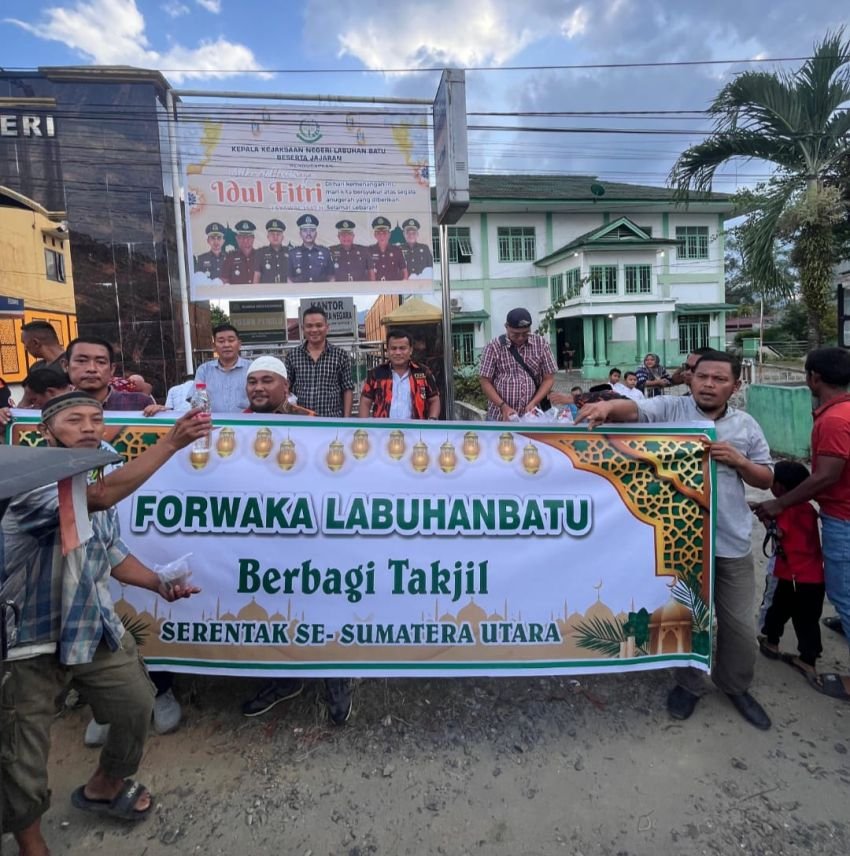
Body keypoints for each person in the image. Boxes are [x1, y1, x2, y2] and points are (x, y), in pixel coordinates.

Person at [0, 391, 209, 854]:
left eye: (96, 418)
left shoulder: (85, 480)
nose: (89, 427)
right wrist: (171, 443)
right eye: (74, 420)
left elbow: (109, 551)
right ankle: (31, 841)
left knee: (136, 703)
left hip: (90, 626)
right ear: (44, 432)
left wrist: (158, 583)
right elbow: (99, 496)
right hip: (26, 643)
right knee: (21, 750)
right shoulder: (29, 484)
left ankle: (105, 784)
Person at [577, 351, 774, 730]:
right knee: (686, 618)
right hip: (681, 542)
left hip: (730, 542)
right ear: (690, 378)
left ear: (735, 384)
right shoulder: (671, 409)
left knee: (738, 625)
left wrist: (740, 462)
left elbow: (765, 479)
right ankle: (689, 684)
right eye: (702, 377)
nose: (709, 385)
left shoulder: (746, 426)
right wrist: (606, 410)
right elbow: (631, 409)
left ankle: (735, 685)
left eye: (719, 379)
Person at [237, 356, 352, 723]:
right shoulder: (233, 426)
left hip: (310, 535)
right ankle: (284, 679)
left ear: (285, 387)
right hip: (261, 538)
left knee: (321, 604)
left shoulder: (310, 423)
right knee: (273, 608)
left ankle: (335, 677)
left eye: (267, 380)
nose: (258, 387)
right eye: (252, 381)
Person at [753, 347, 850, 702]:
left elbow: (826, 476)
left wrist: (777, 504)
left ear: (814, 378)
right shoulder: (841, 413)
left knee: (844, 597)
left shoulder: (835, 420)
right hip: (833, 530)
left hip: (843, 518)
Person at [756, 460, 824, 679]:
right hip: (813, 578)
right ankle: (808, 659)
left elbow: (779, 535)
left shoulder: (786, 510)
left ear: (781, 488)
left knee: (778, 611)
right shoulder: (809, 510)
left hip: (790, 577)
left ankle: (772, 643)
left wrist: (765, 519)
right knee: (808, 620)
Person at [478, 307, 557, 421]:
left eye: (525, 334)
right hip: (500, 417)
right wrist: (503, 406)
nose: (520, 338)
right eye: (515, 334)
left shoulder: (541, 344)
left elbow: (548, 378)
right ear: (506, 327)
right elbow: (485, 381)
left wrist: (534, 402)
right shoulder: (493, 347)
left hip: (532, 416)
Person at [284, 305, 354, 418]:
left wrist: (345, 421)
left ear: (327, 327)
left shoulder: (341, 355)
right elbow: (285, 387)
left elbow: (347, 389)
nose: (314, 330)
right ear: (303, 329)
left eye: (319, 325)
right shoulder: (293, 355)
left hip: (332, 421)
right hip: (301, 421)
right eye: (309, 326)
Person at [358, 329, 440, 419]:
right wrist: (365, 427)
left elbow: (434, 400)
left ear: (411, 350)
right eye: (393, 348)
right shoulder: (376, 374)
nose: (398, 352)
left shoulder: (423, 372)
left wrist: (432, 420)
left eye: (402, 348)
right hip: (384, 431)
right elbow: (365, 402)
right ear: (388, 351)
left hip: (415, 430)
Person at [65, 337, 154, 410]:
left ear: (112, 369)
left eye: (101, 362)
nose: (91, 369)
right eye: (81, 361)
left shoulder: (139, 403)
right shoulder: (55, 407)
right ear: (65, 366)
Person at [193, 324, 251, 412]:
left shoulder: (252, 368)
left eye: (231, 340)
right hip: (213, 423)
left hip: (246, 423)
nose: (226, 345)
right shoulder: (204, 370)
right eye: (221, 341)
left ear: (239, 344)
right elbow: (198, 400)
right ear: (214, 346)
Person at [288, 214, 335, 283]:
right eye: (305, 231)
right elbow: (289, 278)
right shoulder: (292, 254)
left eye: (312, 230)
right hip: (299, 292)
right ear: (300, 234)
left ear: (316, 234)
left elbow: (331, 277)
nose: (308, 234)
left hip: (320, 292)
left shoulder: (325, 252)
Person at [368, 216, 407, 282]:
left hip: (393, 289)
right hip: (376, 288)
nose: (382, 236)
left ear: (389, 234)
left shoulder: (397, 250)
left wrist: (403, 286)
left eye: (384, 233)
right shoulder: (369, 251)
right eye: (378, 233)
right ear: (375, 235)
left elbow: (404, 271)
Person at [221, 220, 259, 285]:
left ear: (253, 238)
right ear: (237, 238)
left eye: (248, 236)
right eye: (242, 237)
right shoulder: (230, 257)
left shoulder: (260, 256)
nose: (245, 240)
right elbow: (224, 280)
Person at [255, 218, 289, 284]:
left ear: (282, 237)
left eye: (278, 234)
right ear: (268, 236)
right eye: (272, 234)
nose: (275, 237)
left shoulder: (290, 252)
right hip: (266, 292)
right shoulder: (260, 253)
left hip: (286, 292)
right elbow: (257, 276)